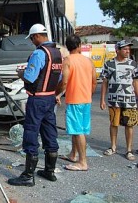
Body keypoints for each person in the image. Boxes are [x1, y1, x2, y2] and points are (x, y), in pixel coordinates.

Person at [7, 23, 62, 187]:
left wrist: (20, 73)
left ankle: (28, 176)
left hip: (37, 100)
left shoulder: (39, 54)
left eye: (32, 38)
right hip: (50, 98)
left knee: (31, 133)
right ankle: (49, 171)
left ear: (37, 36)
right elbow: (59, 78)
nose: (32, 41)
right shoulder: (57, 53)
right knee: (50, 133)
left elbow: (30, 77)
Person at [56, 34, 96, 171]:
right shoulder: (89, 61)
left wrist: (56, 93)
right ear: (79, 46)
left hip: (74, 100)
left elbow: (64, 82)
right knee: (78, 130)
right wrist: (88, 94)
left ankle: (82, 162)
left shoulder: (67, 60)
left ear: (67, 47)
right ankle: (73, 154)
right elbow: (94, 82)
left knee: (78, 131)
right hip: (86, 100)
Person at [100, 40, 138, 161]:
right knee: (113, 124)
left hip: (130, 100)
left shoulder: (133, 64)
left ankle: (129, 150)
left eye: (128, 49)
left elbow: (135, 82)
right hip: (113, 100)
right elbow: (105, 82)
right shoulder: (109, 64)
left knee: (129, 125)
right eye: (125, 49)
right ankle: (113, 147)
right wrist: (102, 100)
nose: (128, 51)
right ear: (118, 50)